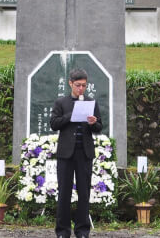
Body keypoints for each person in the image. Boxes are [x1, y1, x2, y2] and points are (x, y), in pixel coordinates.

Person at [50, 69, 102, 238]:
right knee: (64, 193)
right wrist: (70, 115)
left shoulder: (91, 102)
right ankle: (62, 232)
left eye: (84, 86)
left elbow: (99, 127)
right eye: (78, 85)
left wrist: (94, 123)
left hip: (84, 153)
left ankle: (82, 231)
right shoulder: (61, 102)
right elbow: (54, 124)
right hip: (66, 154)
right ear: (70, 83)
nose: (81, 89)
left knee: (84, 193)